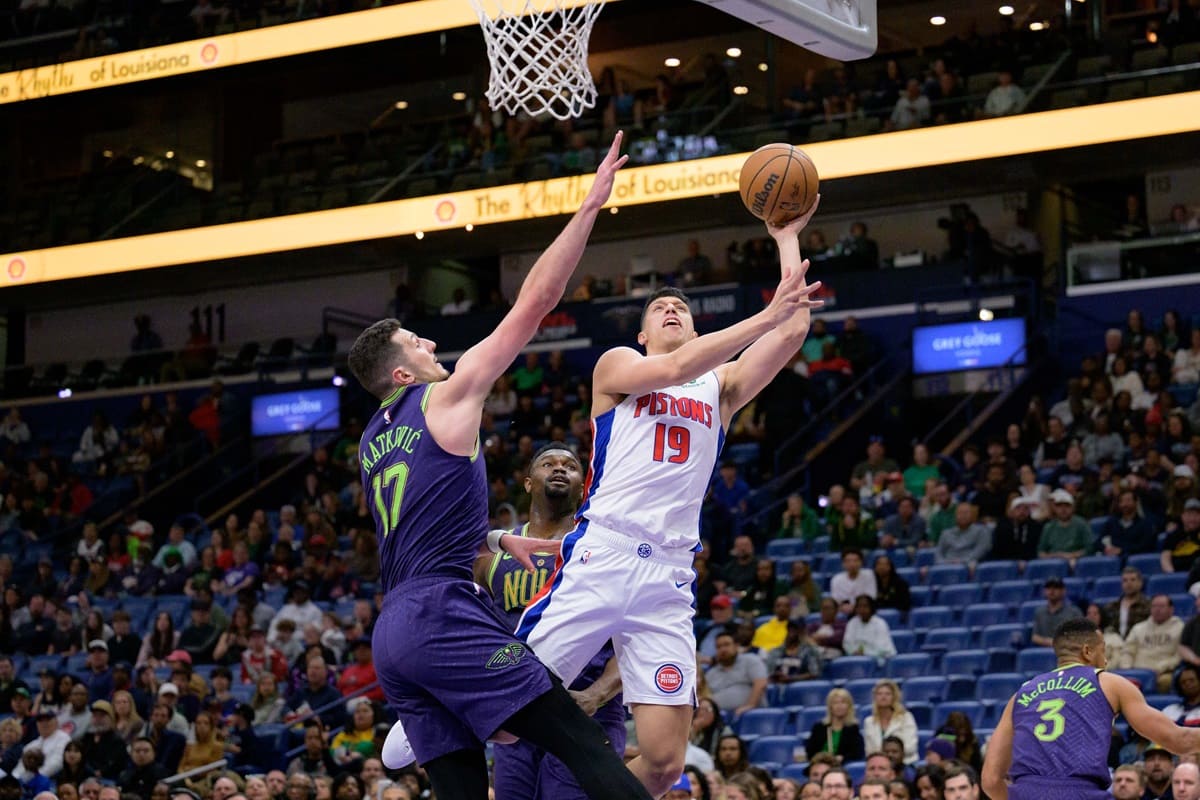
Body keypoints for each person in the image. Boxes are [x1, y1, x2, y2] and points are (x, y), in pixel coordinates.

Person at [350, 134, 655, 800]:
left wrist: (488, 538)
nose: (432, 343)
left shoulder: (372, 441)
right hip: (440, 613)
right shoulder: (444, 396)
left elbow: (414, 524)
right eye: (418, 343)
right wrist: (588, 207)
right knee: (578, 739)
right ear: (402, 373)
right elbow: (535, 303)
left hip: (392, 632)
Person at [511, 198, 823, 797]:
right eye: (659, 308)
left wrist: (786, 237)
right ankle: (431, 720)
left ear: (698, 328)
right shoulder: (618, 365)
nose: (672, 309)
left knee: (663, 764)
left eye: (681, 307)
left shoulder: (721, 385)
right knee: (504, 714)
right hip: (604, 553)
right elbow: (678, 366)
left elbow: (792, 330)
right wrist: (763, 316)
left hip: (670, 576)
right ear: (642, 333)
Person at [473, 443, 626, 800]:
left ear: (583, 487)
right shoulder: (492, 558)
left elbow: (634, 640)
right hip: (519, 711)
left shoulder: (605, 550)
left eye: (570, 466)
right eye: (548, 464)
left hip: (584, 708)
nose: (559, 468)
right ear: (528, 483)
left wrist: (596, 695)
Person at [981, 617, 1200, 800]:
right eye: (1103, 651)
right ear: (1087, 651)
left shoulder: (1020, 695)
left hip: (1026, 792)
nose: (1106, 661)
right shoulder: (1109, 683)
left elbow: (990, 780)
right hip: (1080, 792)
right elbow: (1179, 740)